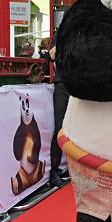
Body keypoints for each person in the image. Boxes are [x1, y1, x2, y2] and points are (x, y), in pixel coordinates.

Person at [48, 35, 70, 188]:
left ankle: (74, 168)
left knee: (79, 130)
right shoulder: (61, 35)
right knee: (59, 128)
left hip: (78, 85)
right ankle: (54, 171)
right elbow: (52, 55)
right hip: (62, 86)